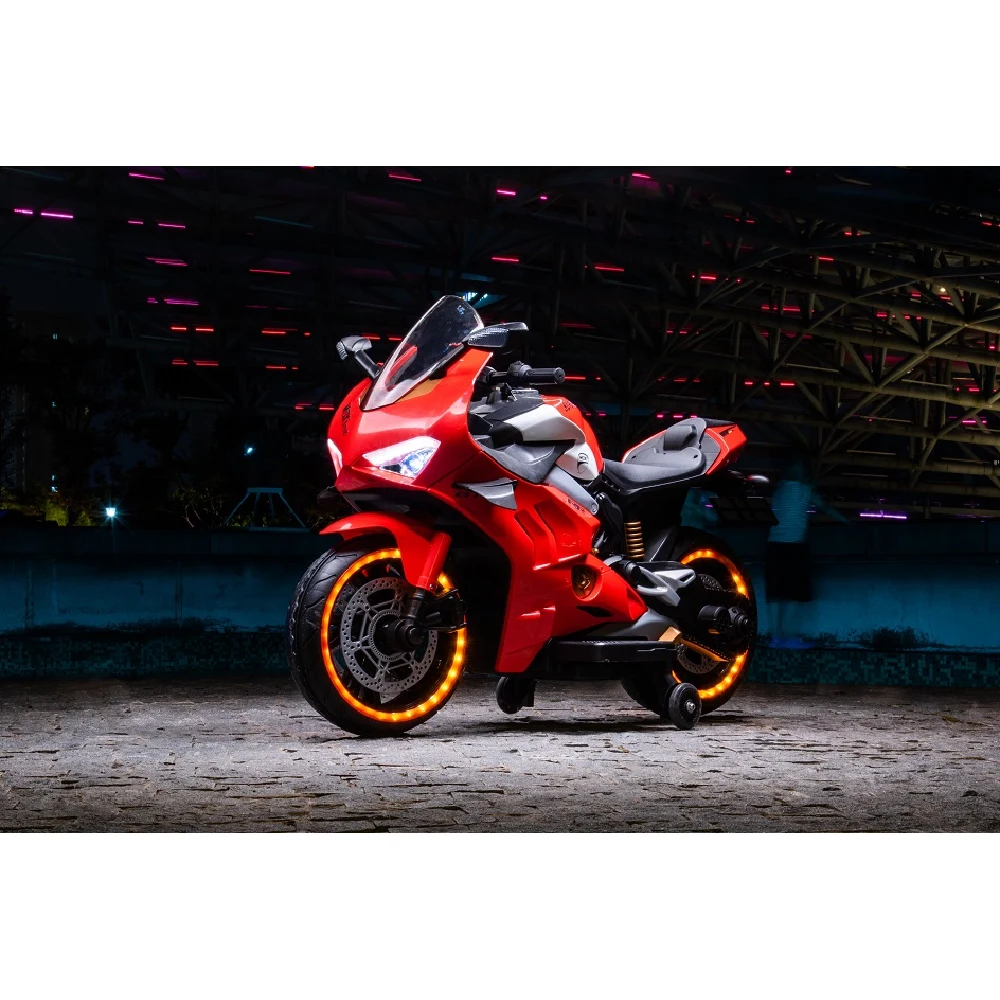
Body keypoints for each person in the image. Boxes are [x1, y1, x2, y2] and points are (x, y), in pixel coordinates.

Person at [766, 455, 848, 647]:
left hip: (773, 544)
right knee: (795, 594)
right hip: (795, 545)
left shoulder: (779, 490)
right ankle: (789, 637)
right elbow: (825, 508)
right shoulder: (805, 490)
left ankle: (775, 637)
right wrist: (847, 521)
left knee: (776, 594)